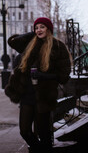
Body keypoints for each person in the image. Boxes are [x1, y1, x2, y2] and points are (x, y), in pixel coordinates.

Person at [5, 17, 72, 153]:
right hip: (27, 94)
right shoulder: (30, 44)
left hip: (44, 96)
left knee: (43, 133)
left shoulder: (58, 47)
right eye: (36, 27)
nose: (39, 30)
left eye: (42, 27)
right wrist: (33, 34)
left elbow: (64, 76)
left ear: (49, 29)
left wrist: (44, 76)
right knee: (24, 131)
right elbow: (12, 41)